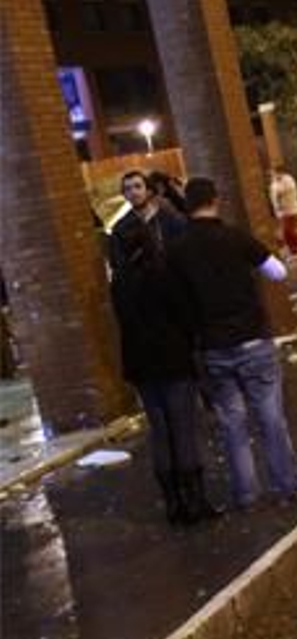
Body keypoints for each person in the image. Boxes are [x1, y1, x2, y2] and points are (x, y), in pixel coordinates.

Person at [166, 177, 297, 512]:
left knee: (232, 423)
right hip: (252, 340)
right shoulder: (235, 238)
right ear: (215, 200)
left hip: (213, 347)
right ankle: (287, 486)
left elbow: (175, 300)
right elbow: (277, 272)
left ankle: (247, 495)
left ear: (187, 205)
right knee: (270, 418)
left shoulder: (177, 250)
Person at [109, 221, 217, 525]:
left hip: (141, 365)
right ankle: (196, 500)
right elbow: (185, 315)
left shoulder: (119, 282)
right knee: (183, 427)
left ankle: (172, 502)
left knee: (160, 430)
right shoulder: (165, 273)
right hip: (172, 359)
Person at [109, 169, 188, 278]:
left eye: (138, 186)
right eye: (128, 189)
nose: (134, 192)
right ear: (124, 195)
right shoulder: (120, 229)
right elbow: (120, 266)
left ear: (148, 190)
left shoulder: (171, 219)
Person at [268, 165, 297, 257]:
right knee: (287, 232)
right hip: (283, 211)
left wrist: (275, 184)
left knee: (287, 231)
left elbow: (283, 191)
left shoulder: (288, 180)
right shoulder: (277, 182)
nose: (272, 175)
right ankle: (296, 248)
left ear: (280, 172)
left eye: (274, 172)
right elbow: (274, 195)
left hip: (291, 209)